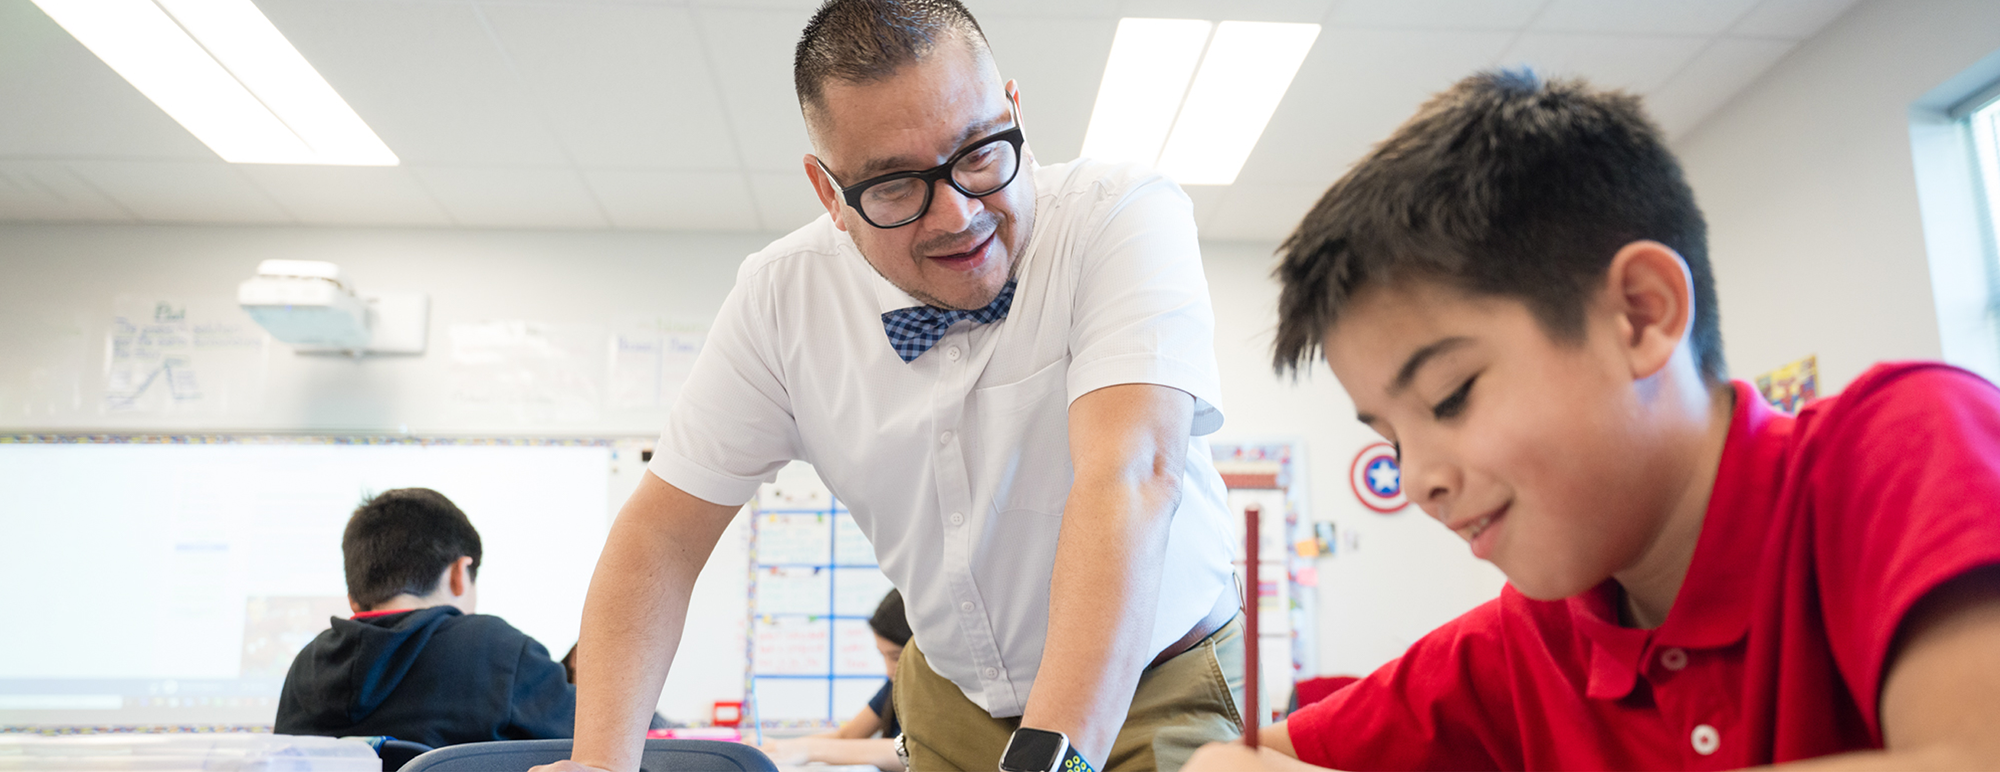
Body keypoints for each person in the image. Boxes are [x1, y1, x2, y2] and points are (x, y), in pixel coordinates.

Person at [1184, 69, 2000, 771]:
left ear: (1642, 316)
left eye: (1450, 396)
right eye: (1392, 440)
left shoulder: (1901, 446)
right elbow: (1266, 754)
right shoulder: (1526, 640)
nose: (1420, 480)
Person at [534, 2, 1243, 771]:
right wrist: (599, 762)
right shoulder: (782, 299)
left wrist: (1054, 760)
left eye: (978, 154)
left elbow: (1130, 474)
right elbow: (660, 537)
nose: (959, 215)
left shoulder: (1121, 218)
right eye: (897, 186)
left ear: (1013, 112)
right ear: (828, 193)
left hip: (1157, 679)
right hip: (949, 696)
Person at [274, 488, 576, 748]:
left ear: (353, 596)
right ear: (460, 573)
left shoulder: (307, 665)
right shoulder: (496, 649)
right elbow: (601, 741)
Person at [758, 590, 911, 770]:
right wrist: (772, 749)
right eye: (882, 656)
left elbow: (908, 752)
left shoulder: (944, 690)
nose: (888, 670)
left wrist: (808, 750)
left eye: (895, 657)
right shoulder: (895, 685)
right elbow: (847, 736)